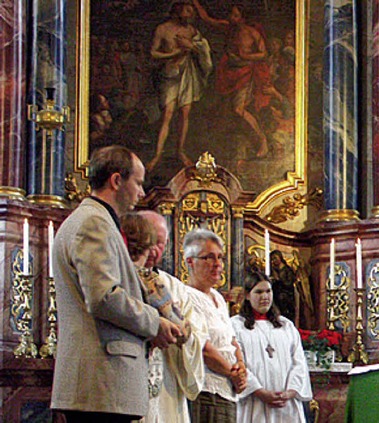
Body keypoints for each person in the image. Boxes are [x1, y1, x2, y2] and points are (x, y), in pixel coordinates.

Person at [51, 145, 182, 422]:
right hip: (101, 385)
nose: (142, 193)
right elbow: (104, 297)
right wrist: (154, 322)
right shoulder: (93, 223)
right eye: (138, 182)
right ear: (116, 180)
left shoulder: (94, 221)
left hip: (101, 387)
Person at [126, 211, 208, 423]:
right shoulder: (118, 280)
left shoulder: (175, 289)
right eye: (150, 241)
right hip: (126, 388)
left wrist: (180, 333)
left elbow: (196, 339)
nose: (154, 249)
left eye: (160, 243)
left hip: (167, 392)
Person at [231, 269, 313, 423]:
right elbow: (236, 362)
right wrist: (259, 391)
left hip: (286, 403)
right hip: (254, 402)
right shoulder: (235, 325)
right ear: (247, 295)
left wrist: (290, 392)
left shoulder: (285, 325)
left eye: (268, 291)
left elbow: (299, 362)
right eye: (259, 292)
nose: (265, 297)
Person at [183, 228, 248, 422]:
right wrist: (233, 373)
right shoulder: (186, 296)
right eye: (209, 258)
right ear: (190, 261)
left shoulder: (218, 298)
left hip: (228, 390)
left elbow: (231, 340)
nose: (217, 264)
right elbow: (202, 347)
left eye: (220, 257)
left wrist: (242, 368)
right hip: (207, 391)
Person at [192, 0, 271, 157]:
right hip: (228, 73)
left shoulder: (252, 33)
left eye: (235, 15)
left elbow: (264, 53)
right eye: (231, 14)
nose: (232, 17)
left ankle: (263, 140)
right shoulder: (228, 27)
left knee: (238, 109)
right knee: (225, 109)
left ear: (242, 17)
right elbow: (207, 19)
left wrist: (246, 56)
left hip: (245, 73)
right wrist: (195, 3)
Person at [148, 1, 213, 171]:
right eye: (187, 10)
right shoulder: (163, 29)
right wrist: (175, 53)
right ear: (178, 10)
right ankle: (157, 155)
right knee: (168, 114)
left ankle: (180, 151)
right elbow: (153, 53)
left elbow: (202, 49)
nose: (190, 15)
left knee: (185, 114)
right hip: (170, 74)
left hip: (187, 74)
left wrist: (192, 46)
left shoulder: (191, 31)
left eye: (192, 11)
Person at [270, 250, 297, 323]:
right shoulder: (273, 270)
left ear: (280, 257)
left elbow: (289, 284)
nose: (274, 261)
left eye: (275, 258)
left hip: (286, 295)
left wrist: (278, 279)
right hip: (276, 295)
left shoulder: (287, 270)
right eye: (272, 259)